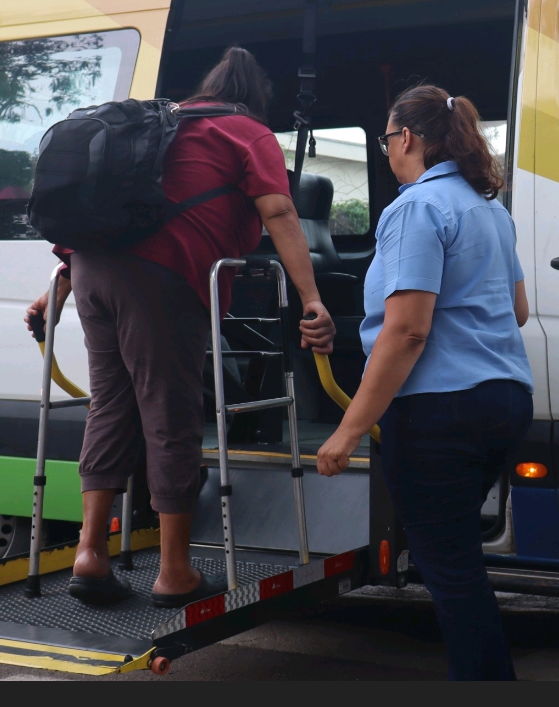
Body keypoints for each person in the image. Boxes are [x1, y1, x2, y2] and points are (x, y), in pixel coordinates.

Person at [26, 47, 335, 608]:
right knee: (170, 414)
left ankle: (89, 554)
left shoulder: (158, 125)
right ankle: (174, 573)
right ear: (255, 97)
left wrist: (56, 289)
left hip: (91, 269)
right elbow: (280, 211)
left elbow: (113, 212)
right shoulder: (247, 131)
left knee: (110, 406)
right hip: (163, 279)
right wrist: (312, 298)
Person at [316, 84, 532, 680]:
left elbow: (408, 330)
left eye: (387, 138)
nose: (386, 150)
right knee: (459, 561)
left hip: (441, 413)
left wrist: (348, 430)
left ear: (406, 137)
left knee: (451, 573)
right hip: (505, 402)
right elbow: (516, 310)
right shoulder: (490, 209)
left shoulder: (415, 207)